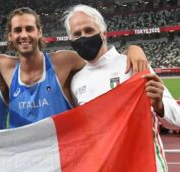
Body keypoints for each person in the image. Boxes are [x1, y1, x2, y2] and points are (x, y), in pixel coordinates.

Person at [0, 7, 148, 128]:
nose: (24, 35)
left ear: (39, 32)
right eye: (18, 30)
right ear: (10, 36)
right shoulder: (5, 65)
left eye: (29, 28)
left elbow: (101, 57)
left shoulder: (64, 61)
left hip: (61, 157)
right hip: (23, 159)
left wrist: (132, 49)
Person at [64, 4, 180, 172]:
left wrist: (160, 105)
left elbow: (177, 120)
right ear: (71, 41)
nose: (83, 37)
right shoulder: (76, 81)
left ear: (103, 33)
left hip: (145, 165)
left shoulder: (134, 64)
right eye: (77, 34)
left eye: (89, 30)